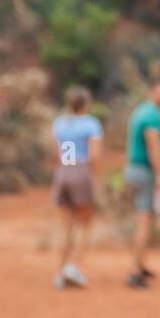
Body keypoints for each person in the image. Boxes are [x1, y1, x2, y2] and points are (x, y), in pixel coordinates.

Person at [52, 86, 103, 289]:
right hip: (82, 172)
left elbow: (58, 155)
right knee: (84, 223)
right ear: (86, 104)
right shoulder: (91, 124)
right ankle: (73, 267)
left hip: (64, 171)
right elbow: (95, 156)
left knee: (66, 226)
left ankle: (60, 270)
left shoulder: (59, 124)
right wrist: (95, 180)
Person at [124, 79, 160, 288]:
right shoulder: (154, 115)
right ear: (152, 92)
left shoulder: (140, 111)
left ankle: (140, 264)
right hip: (145, 171)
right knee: (145, 220)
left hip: (133, 169)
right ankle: (136, 271)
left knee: (145, 218)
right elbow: (154, 148)